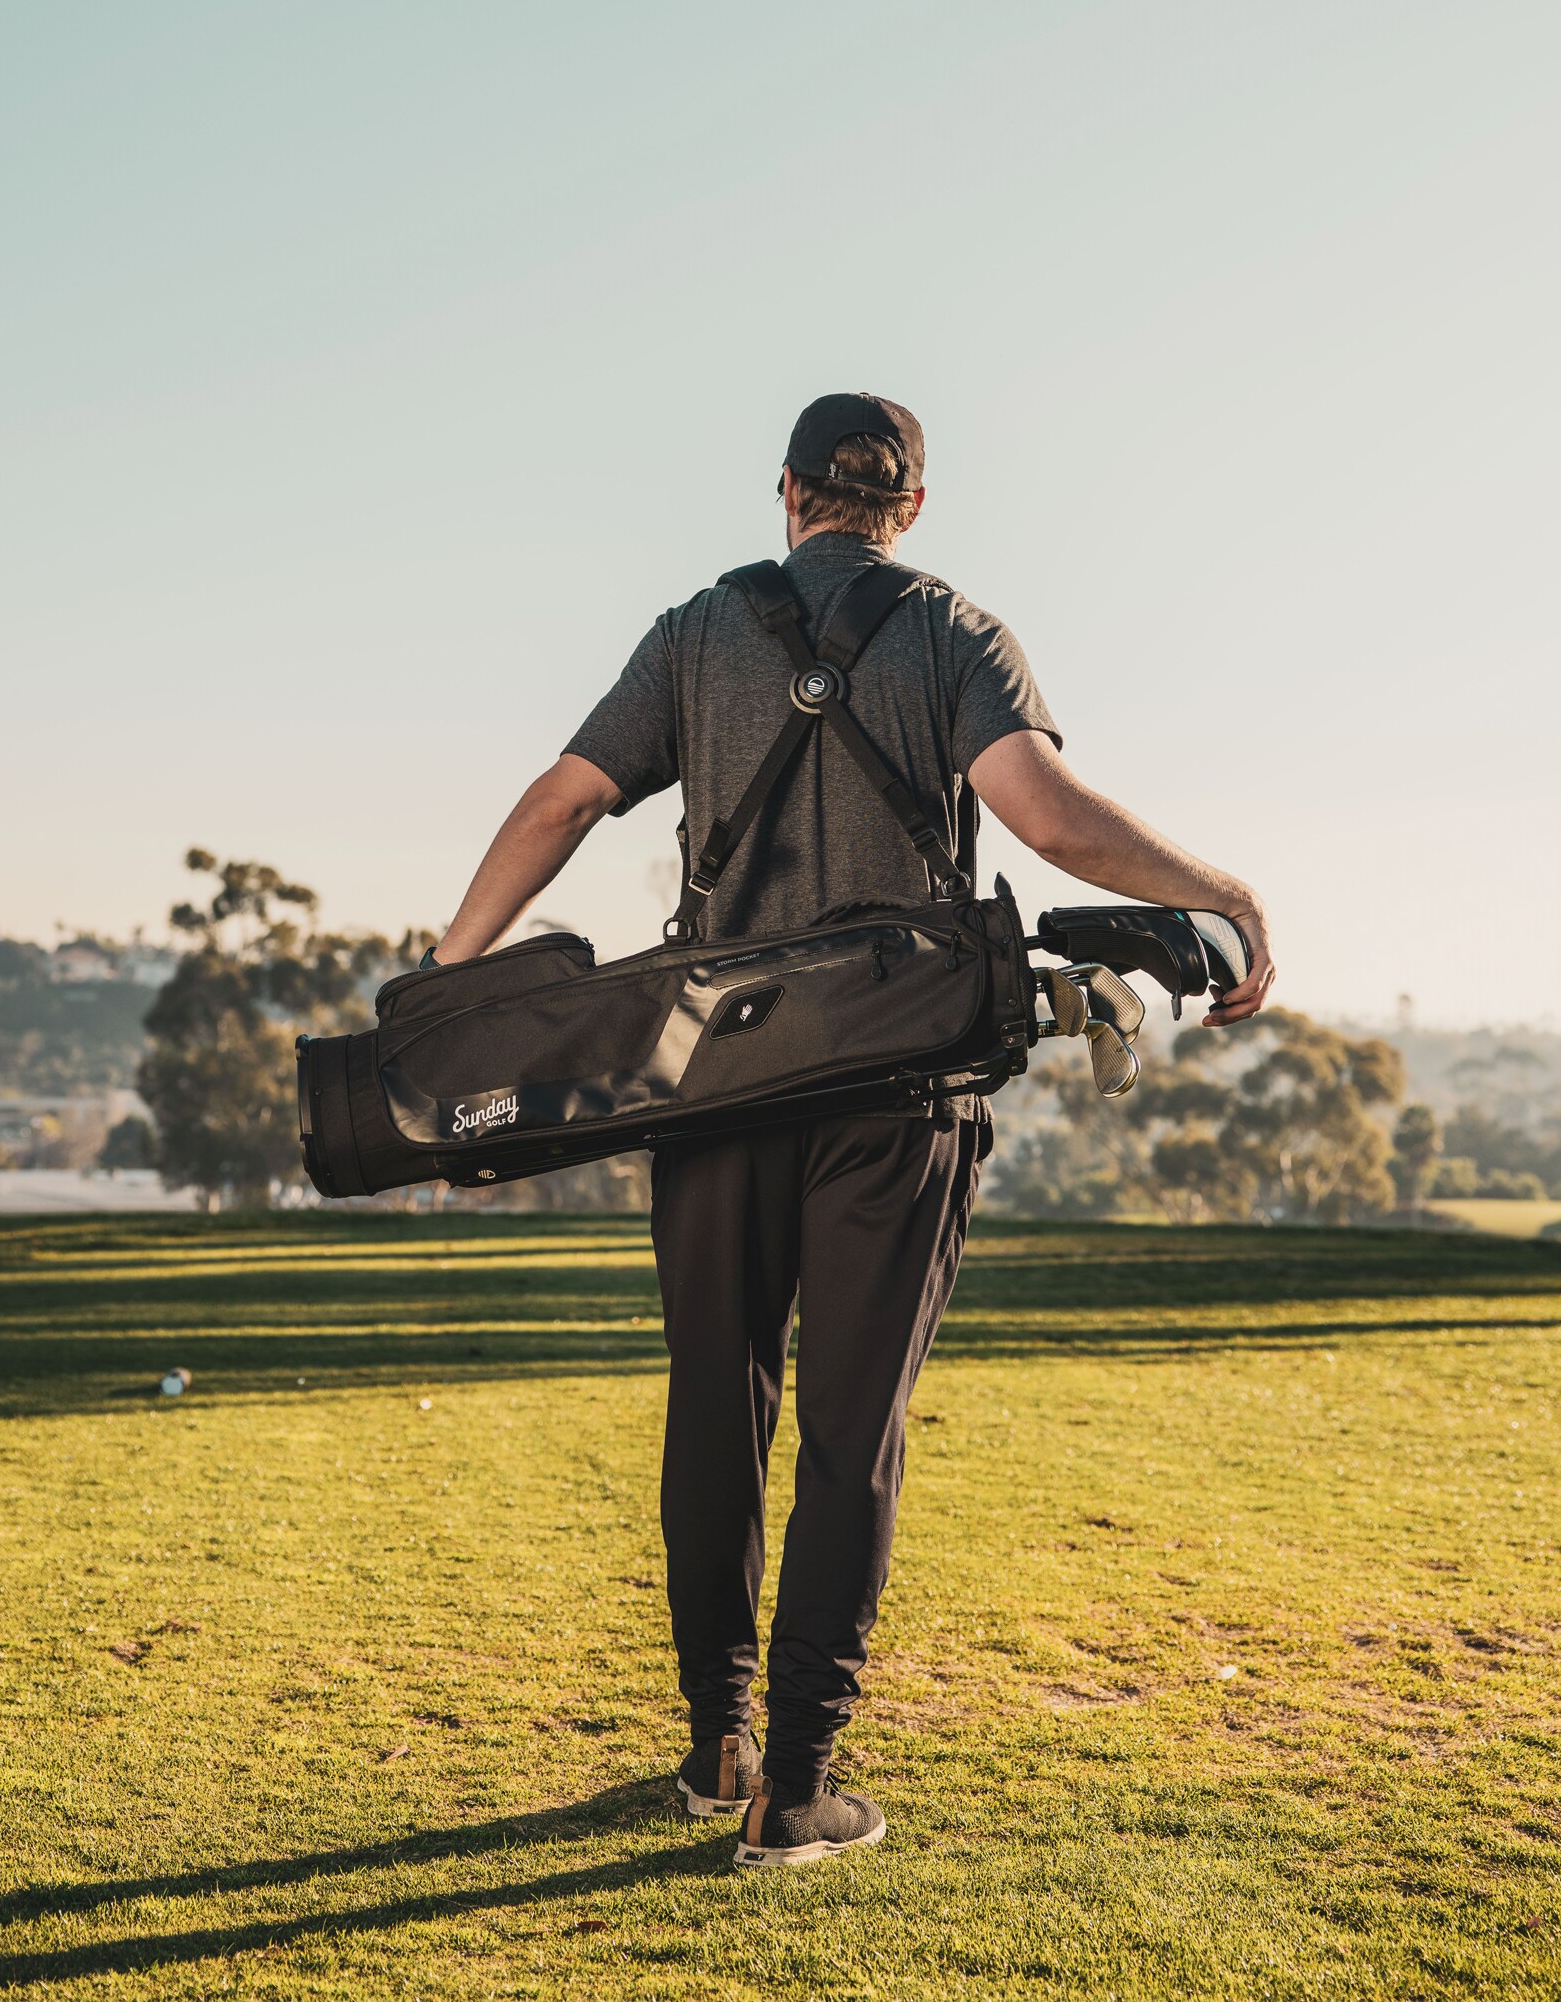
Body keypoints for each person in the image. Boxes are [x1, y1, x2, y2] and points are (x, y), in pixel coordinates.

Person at [431, 392, 1274, 1868]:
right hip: (898, 1091)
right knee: (850, 1432)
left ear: (787, 491)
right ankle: (800, 1788)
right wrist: (1229, 893)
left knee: (720, 1400)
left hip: (714, 1088)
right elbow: (1049, 818)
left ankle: (715, 1750)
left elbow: (570, 799)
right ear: (913, 506)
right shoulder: (955, 631)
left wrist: (453, 978)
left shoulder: (698, 630)